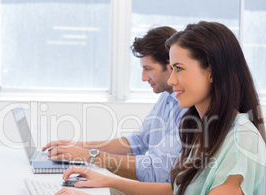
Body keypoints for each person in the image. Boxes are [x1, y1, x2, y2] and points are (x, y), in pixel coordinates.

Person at [55, 21, 266, 195]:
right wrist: (109, 182)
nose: (171, 81)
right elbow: (177, 190)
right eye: (171, 70)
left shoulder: (240, 142)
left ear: (212, 71)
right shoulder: (205, 130)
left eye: (179, 69)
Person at [43, 26, 186, 184]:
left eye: (148, 69)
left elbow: (154, 171)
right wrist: (79, 147)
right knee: (76, 187)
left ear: (170, 65)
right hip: (152, 186)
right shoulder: (167, 97)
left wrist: (90, 156)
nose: (144, 78)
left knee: (84, 192)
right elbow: (137, 142)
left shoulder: (187, 107)